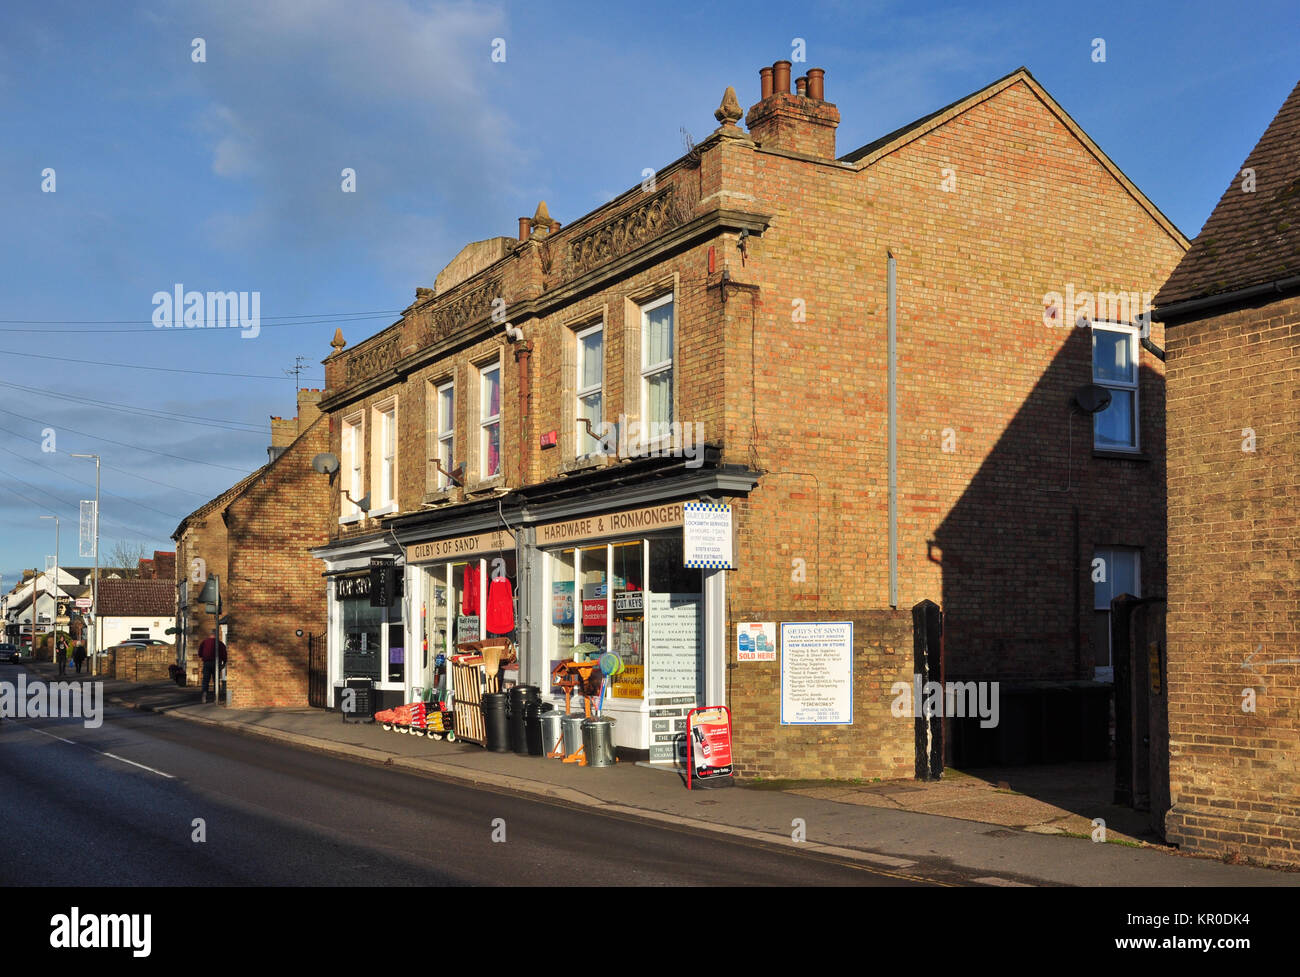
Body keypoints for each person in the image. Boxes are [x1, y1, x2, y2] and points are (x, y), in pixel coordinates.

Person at [198, 632, 227, 704]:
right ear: (216, 636)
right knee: (216, 680)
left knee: (205, 680)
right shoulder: (220, 643)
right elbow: (224, 654)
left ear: (210, 635)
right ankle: (216, 697)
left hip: (207, 663)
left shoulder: (204, 642)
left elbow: (200, 653)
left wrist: (204, 657)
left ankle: (204, 696)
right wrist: (224, 663)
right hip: (216, 663)